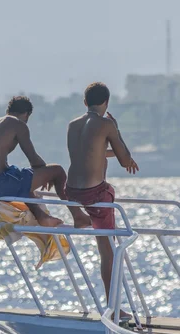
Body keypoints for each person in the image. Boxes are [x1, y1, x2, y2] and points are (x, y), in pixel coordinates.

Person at [65, 82, 139, 311]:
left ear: (85, 102)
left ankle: (80, 217)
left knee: (104, 160)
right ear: (106, 103)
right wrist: (116, 130)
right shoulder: (106, 124)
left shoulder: (73, 125)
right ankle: (113, 306)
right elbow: (126, 160)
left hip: (72, 192)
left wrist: (112, 152)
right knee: (108, 251)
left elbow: (90, 153)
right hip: (94, 194)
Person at [0, 96, 92, 228]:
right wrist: (48, 175)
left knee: (23, 179)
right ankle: (78, 216)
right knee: (58, 171)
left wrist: (40, 175)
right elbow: (34, 159)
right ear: (26, 114)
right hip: (0, 184)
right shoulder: (17, 124)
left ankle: (43, 217)